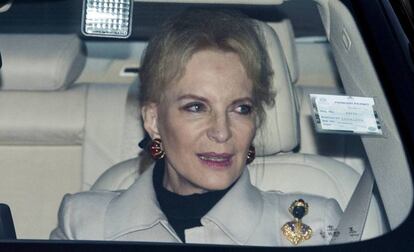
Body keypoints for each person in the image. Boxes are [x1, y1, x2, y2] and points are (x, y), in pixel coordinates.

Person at [50, 10, 342, 246]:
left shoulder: (317, 229)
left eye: (240, 108)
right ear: (153, 120)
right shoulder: (84, 223)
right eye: (196, 107)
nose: (222, 132)